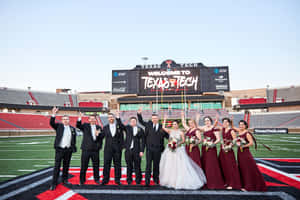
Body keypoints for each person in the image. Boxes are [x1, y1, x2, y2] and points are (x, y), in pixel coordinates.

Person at [159, 115, 206, 190]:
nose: (174, 125)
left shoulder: (181, 132)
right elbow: (163, 128)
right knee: (170, 165)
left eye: (176, 124)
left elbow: (183, 140)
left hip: (178, 149)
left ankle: (179, 180)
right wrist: (164, 120)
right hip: (170, 150)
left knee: (179, 164)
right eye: (173, 124)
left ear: (178, 125)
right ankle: (170, 180)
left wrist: (177, 144)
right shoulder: (170, 131)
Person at [137, 107, 169, 186]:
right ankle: (147, 181)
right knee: (148, 165)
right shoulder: (148, 125)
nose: (154, 119)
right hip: (149, 149)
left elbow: (167, 136)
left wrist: (174, 139)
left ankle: (156, 179)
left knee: (156, 165)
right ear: (151, 119)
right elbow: (141, 121)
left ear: (158, 119)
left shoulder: (162, 126)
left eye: (156, 118)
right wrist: (139, 114)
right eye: (153, 118)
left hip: (158, 149)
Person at [232, 120, 267, 191]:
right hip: (239, 152)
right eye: (240, 125)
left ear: (245, 125)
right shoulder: (239, 130)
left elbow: (251, 143)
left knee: (247, 169)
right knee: (242, 168)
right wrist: (232, 121)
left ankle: (250, 185)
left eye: (242, 125)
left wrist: (243, 146)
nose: (241, 126)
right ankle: (244, 184)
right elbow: (233, 127)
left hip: (245, 152)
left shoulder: (247, 133)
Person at [49, 106, 77, 190]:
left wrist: (73, 147)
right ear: (62, 120)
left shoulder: (72, 128)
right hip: (60, 149)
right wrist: (53, 114)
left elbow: (73, 139)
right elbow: (52, 123)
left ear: (69, 120)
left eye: (67, 119)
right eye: (64, 119)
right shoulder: (59, 126)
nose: (65, 120)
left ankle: (64, 180)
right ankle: (54, 183)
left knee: (66, 166)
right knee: (57, 166)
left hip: (68, 150)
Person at [116, 111, 145, 185]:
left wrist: (142, 151)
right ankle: (129, 180)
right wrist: (118, 117)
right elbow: (120, 125)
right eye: (131, 121)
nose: (133, 122)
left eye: (134, 121)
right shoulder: (127, 128)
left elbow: (143, 141)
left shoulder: (140, 129)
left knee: (137, 166)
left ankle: (138, 180)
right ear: (130, 122)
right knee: (129, 166)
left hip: (137, 150)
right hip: (128, 150)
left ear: (136, 121)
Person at [198, 115, 225, 189]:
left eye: (208, 120)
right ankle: (205, 180)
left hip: (211, 148)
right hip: (204, 148)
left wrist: (211, 144)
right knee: (205, 163)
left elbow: (218, 139)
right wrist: (197, 119)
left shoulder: (215, 128)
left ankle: (213, 181)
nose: (207, 122)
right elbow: (197, 127)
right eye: (205, 121)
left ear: (211, 121)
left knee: (211, 165)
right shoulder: (204, 128)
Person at [77, 112, 103, 185]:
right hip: (86, 150)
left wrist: (98, 137)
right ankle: (82, 180)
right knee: (84, 166)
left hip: (95, 150)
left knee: (96, 166)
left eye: (94, 119)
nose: (92, 120)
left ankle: (97, 179)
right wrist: (79, 118)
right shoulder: (85, 126)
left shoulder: (99, 127)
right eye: (91, 119)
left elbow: (101, 139)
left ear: (95, 120)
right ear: (88, 120)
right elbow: (78, 125)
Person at [217, 118, 241, 190]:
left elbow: (235, 141)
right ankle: (226, 181)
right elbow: (222, 139)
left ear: (228, 123)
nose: (224, 123)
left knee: (230, 167)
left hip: (229, 151)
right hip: (222, 150)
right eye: (223, 122)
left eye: (226, 122)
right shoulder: (223, 130)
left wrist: (230, 146)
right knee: (224, 166)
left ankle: (233, 183)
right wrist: (222, 145)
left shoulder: (232, 131)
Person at [101, 113, 125, 185]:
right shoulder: (105, 127)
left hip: (117, 149)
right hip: (108, 149)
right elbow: (101, 137)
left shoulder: (119, 127)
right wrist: (97, 134)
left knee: (117, 164)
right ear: (108, 119)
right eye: (109, 117)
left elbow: (122, 137)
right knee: (106, 164)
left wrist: (121, 147)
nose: (111, 118)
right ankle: (105, 179)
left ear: (114, 118)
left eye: (112, 117)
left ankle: (117, 179)